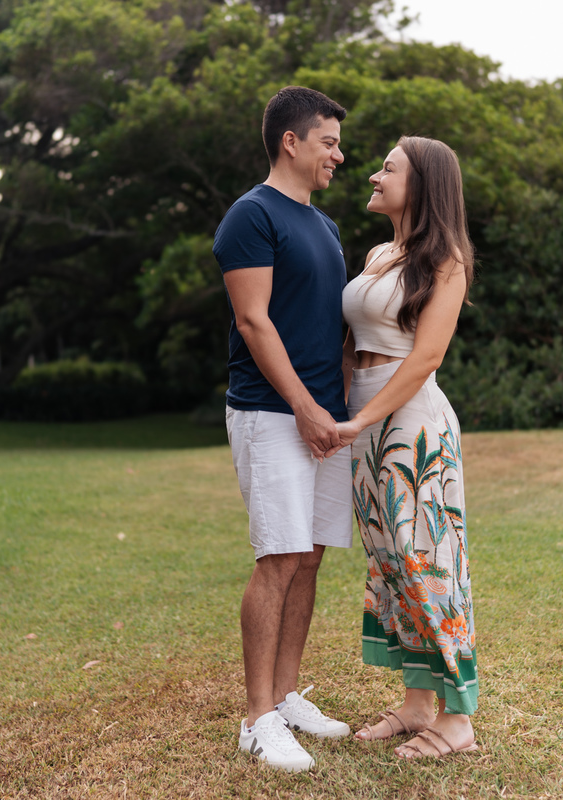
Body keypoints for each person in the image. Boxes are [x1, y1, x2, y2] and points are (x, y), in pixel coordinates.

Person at [212, 86, 355, 773]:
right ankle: (257, 717)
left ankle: (287, 693)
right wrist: (303, 405)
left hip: (326, 417)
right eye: (328, 141)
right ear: (291, 142)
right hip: (273, 413)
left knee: (311, 554)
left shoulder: (324, 227)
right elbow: (254, 322)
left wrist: (341, 412)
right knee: (278, 557)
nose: (340, 154)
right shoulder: (251, 216)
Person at [331, 135, 479, 759]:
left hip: (411, 424)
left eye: (387, 168)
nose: (372, 175)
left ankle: (458, 718)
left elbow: (426, 357)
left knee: (427, 558)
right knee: (391, 560)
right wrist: (343, 416)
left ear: (422, 183)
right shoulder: (377, 253)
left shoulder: (446, 259)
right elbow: (351, 343)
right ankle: (417, 703)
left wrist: (362, 415)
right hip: (363, 424)